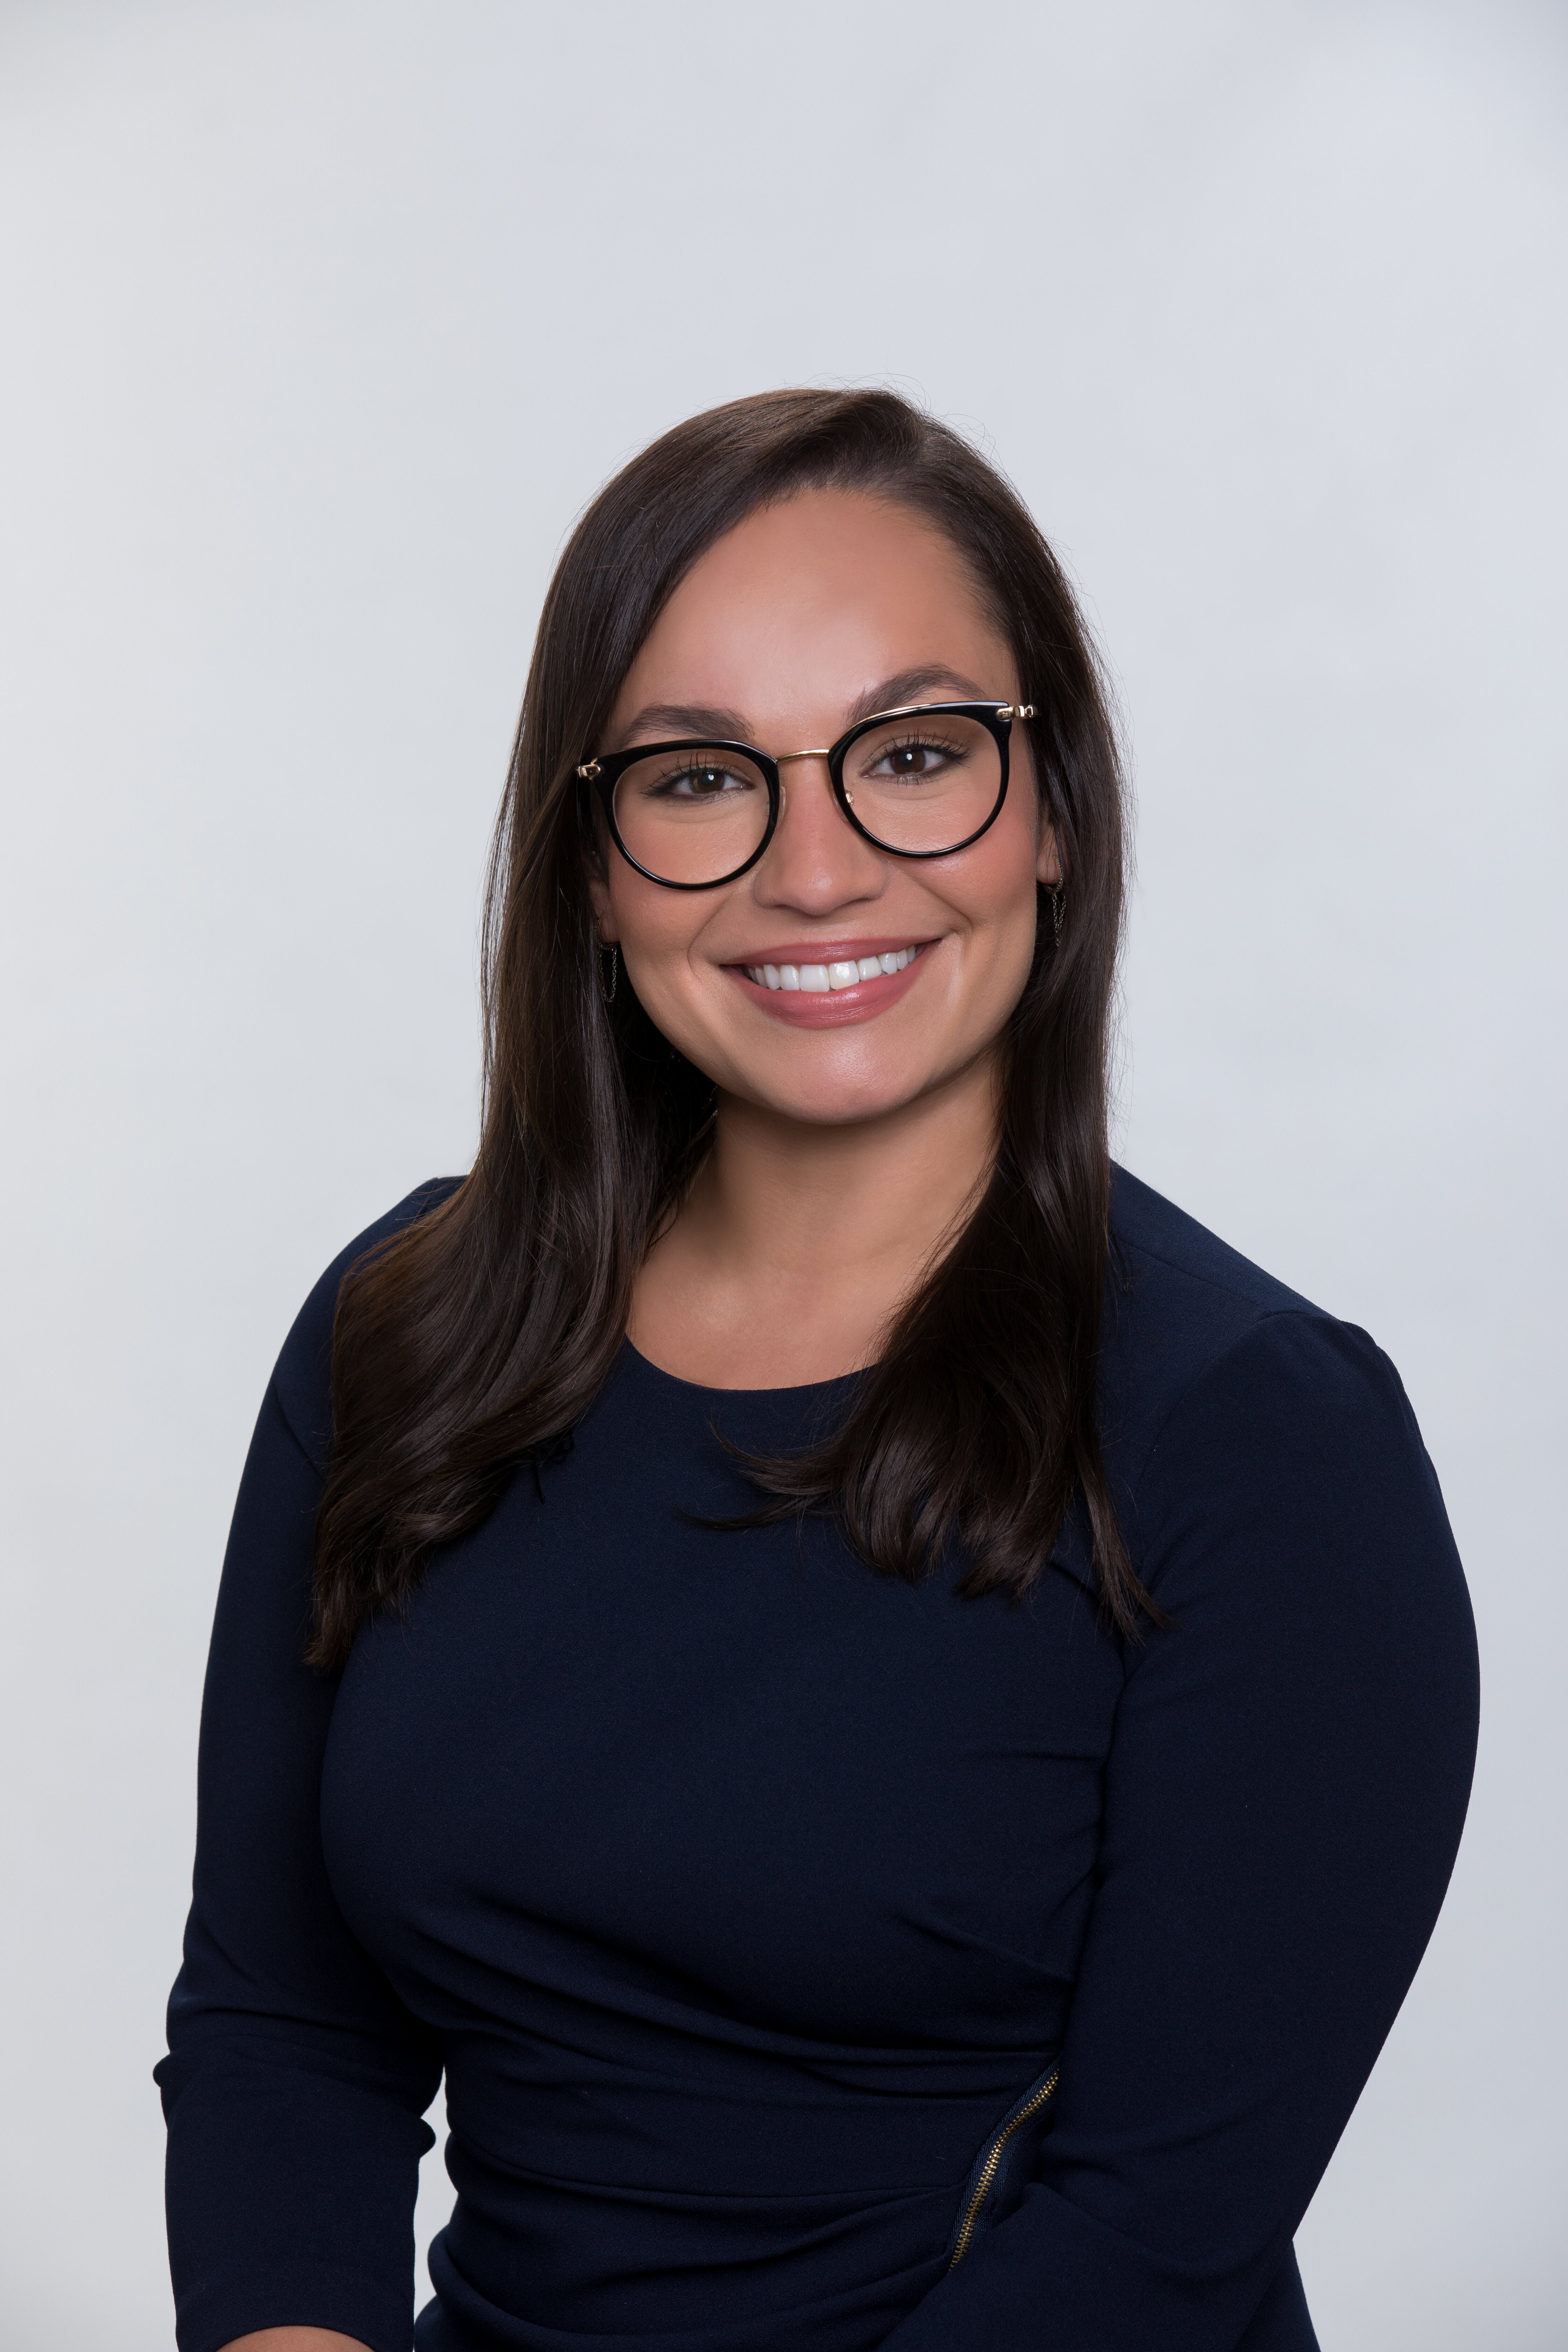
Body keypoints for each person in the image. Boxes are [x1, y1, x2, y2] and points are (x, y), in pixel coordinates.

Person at [156, 389, 1479, 2352]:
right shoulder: (403, 1331)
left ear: (1055, 811)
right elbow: (285, 2031)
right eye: (701, 779)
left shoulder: (1262, 1438)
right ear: (593, 865)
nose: (819, 867)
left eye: (917, 754)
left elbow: (1150, 2237)